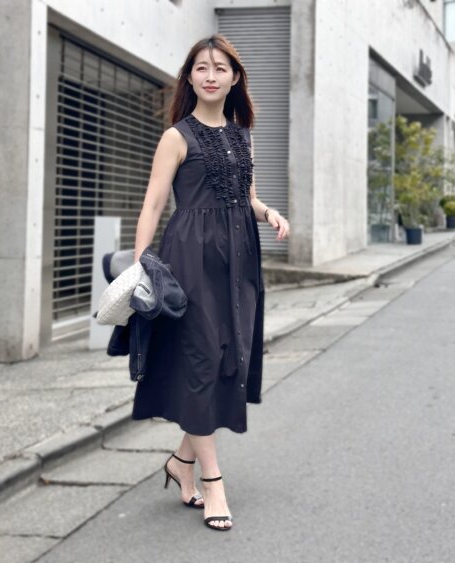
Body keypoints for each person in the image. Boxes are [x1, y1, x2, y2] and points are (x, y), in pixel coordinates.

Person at [130, 34, 290, 531]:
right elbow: (153, 204)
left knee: (226, 361)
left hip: (239, 260)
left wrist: (269, 212)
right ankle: (213, 481)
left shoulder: (243, 135)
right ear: (190, 77)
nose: (211, 75)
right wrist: (141, 265)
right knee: (200, 360)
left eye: (220, 68)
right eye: (201, 67)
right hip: (190, 258)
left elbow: (247, 197)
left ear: (235, 77)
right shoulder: (176, 137)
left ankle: (182, 462)